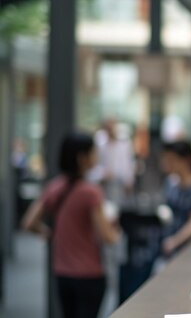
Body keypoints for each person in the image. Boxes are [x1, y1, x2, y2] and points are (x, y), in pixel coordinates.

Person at [22, 132, 120, 318]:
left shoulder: (55, 187)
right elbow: (107, 236)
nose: (96, 156)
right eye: (93, 152)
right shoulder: (91, 192)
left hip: (62, 273)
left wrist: (49, 233)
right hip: (89, 273)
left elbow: (29, 222)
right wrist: (116, 229)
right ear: (82, 158)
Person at [159, 141, 191, 259]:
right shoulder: (171, 184)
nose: (168, 164)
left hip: (186, 249)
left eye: (172, 160)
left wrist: (175, 241)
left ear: (186, 160)